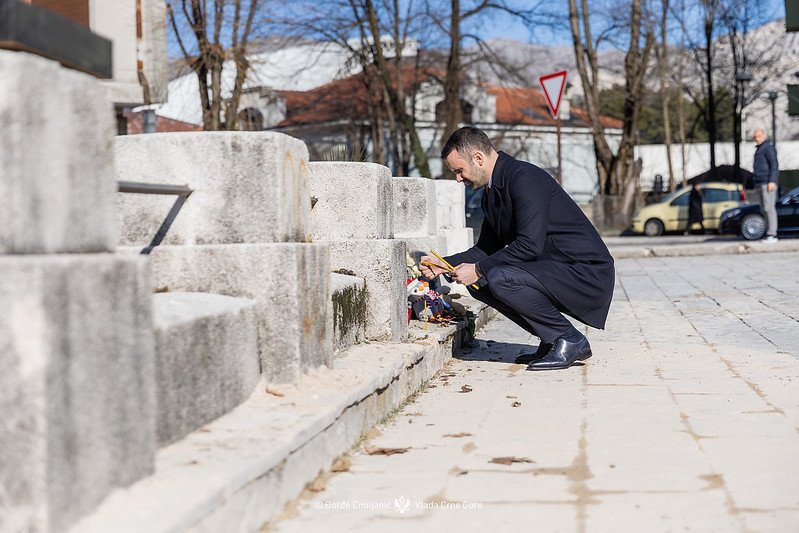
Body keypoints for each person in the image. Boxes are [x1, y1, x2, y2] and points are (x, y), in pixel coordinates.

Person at [420, 127, 615, 371]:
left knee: (498, 277)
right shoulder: (490, 193)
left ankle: (569, 338)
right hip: (553, 270)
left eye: (459, 170)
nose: (458, 178)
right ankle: (552, 339)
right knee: (480, 283)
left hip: (585, 273)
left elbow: (529, 245)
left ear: (478, 158)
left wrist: (479, 269)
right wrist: (443, 264)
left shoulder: (524, 177)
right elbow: (486, 249)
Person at [752, 128, 779, 243]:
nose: (756, 139)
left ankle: (772, 234)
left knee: (769, 208)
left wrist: (772, 181)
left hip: (767, 183)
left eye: (758, 136)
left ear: (763, 135)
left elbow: (774, 165)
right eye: (755, 137)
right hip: (760, 182)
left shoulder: (768, 148)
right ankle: (768, 233)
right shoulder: (759, 149)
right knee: (764, 209)